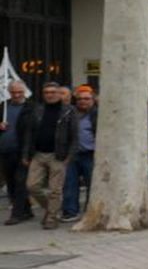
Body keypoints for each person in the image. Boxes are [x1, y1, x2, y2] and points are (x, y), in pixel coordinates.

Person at [22, 82, 82, 230]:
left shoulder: (69, 111)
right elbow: (29, 133)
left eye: (53, 92)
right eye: (47, 92)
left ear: (59, 94)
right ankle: (51, 209)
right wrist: (25, 154)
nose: (50, 95)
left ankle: (51, 218)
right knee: (32, 186)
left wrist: (69, 157)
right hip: (38, 154)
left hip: (58, 155)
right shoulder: (38, 109)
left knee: (55, 189)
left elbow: (75, 136)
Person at [2, 80, 37, 225]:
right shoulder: (3, 107)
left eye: (19, 92)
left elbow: (33, 132)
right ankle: (27, 211)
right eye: (13, 92)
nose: (16, 95)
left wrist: (28, 154)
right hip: (5, 151)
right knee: (11, 183)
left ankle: (16, 214)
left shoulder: (31, 108)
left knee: (20, 182)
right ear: (9, 92)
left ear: (24, 91)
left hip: (22, 152)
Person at [60, 85, 97, 222]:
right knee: (69, 183)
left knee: (92, 183)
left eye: (87, 99)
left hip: (90, 154)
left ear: (93, 100)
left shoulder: (97, 114)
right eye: (80, 99)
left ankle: (90, 210)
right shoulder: (69, 113)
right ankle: (70, 211)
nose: (83, 101)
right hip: (72, 154)